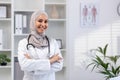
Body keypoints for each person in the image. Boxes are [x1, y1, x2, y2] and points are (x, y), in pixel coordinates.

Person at [18, 10, 63, 80]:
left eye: (46, 22)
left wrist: (33, 67)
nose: (43, 24)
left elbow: (59, 65)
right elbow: (24, 65)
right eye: (40, 21)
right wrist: (50, 61)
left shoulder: (53, 42)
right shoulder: (23, 43)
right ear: (33, 22)